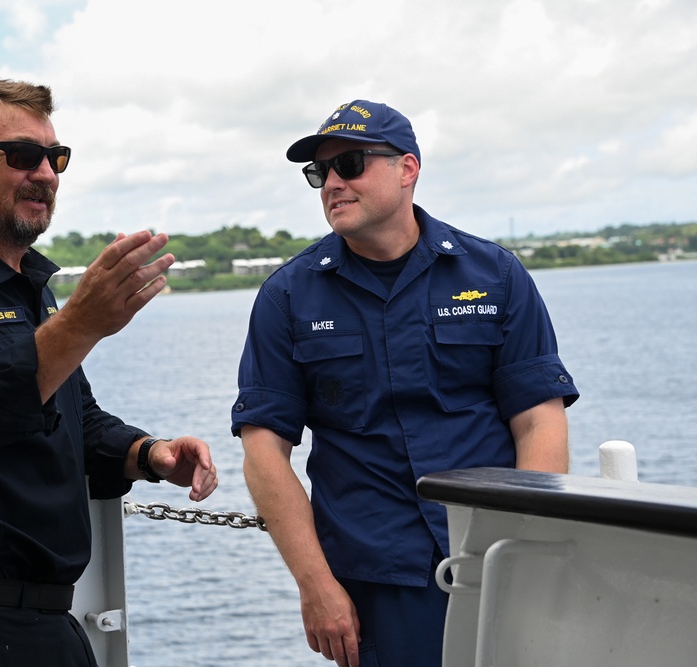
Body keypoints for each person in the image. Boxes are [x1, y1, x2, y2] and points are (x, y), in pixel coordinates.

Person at [0, 77, 218, 667]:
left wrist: (148, 454)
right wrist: (79, 324)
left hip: (35, 627)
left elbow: (72, 418)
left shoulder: (24, 289)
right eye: (24, 156)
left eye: (57, 158)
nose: (46, 174)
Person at [231, 100, 578, 667]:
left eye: (350, 163)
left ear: (407, 169)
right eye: (319, 173)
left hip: (495, 560)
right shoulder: (288, 296)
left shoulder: (495, 275)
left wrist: (526, 549)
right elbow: (263, 452)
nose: (331, 184)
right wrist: (315, 585)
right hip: (376, 581)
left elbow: (539, 418)